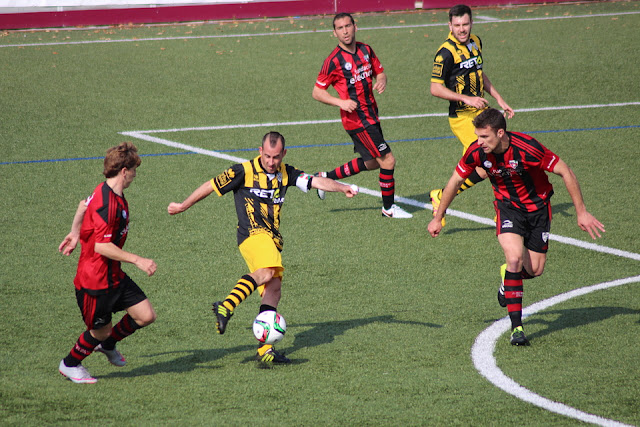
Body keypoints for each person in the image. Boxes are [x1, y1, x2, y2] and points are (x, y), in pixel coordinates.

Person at [167, 131, 358, 364]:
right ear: (260, 152)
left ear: (283, 154)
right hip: (252, 234)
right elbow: (210, 185)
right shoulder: (242, 171)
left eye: (276, 157)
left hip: (272, 239)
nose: (271, 162)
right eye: (267, 156)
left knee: (273, 289)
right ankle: (226, 306)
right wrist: (183, 206)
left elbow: (316, 181)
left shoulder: (287, 173)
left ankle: (264, 350)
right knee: (267, 273)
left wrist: (341, 187)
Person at [427, 108, 604, 345]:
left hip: (539, 210)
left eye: (484, 137)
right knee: (514, 259)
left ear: (500, 133)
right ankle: (517, 327)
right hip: (507, 208)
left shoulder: (528, 148)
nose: (479, 142)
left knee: (535, 270)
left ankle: (508, 278)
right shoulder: (476, 152)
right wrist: (439, 217)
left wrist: (581, 212)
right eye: (477, 136)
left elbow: (565, 171)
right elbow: (455, 181)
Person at [58, 142, 157, 383]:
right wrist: (138, 260)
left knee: (145, 315)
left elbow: (83, 206)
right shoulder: (108, 204)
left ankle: (108, 345)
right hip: (94, 281)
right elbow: (101, 246)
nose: (135, 174)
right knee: (100, 331)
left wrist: (74, 232)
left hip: (113, 274)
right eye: (134, 169)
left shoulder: (106, 191)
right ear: (124, 171)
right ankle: (70, 364)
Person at [312, 12, 412, 218]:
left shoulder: (366, 50)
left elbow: (380, 71)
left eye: (348, 26)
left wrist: (382, 80)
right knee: (388, 161)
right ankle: (388, 209)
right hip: (357, 120)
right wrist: (340, 102)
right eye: (340, 28)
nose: (345, 31)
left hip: (372, 116)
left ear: (355, 27)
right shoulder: (333, 61)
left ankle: (324, 178)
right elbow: (317, 92)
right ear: (334, 33)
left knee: (374, 162)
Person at [429, 4, 515, 226]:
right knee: (488, 163)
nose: (462, 29)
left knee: (500, 154)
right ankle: (500, 211)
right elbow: (435, 88)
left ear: (471, 23)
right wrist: (466, 98)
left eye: (465, 24)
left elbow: (479, 73)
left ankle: (442, 196)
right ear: (450, 25)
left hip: (483, 112)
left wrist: (499, 98)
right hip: (463, 118)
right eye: (457, 25)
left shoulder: (476, 42)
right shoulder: (445, 53)